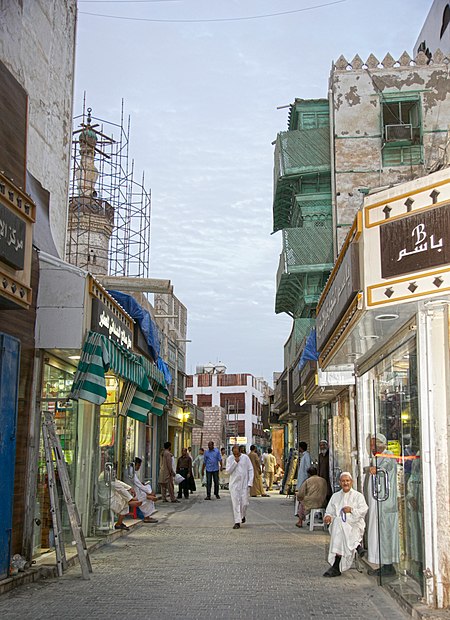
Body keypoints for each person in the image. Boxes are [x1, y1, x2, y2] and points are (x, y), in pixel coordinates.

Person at [323, 472, 368, 577]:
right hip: (339, 526)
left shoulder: (358, 496)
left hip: (354, 525)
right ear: (340, 483)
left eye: (347, 481)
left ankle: (336, 565)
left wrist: (351, 510)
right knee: (339, 522)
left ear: (351, 482)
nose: (345, 483)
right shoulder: (335, 496)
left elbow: (363, 510)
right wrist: (328, 517)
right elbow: (329, 512)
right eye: (343, 481)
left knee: (340, 526)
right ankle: (356, 546)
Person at [366, 433, 399, 577]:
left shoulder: (388, 455)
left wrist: (376, 470)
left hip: (386, 504)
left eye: (373, 444)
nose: (371, 447)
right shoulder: (377, 458)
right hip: (379, 502)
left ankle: (388, 565)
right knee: (379, 533)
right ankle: (383, 563)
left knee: (386, 534)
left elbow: (385, 469)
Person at [226, 444, 254, 529]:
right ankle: (237, 522)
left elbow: (250, 469)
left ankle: (242, 515)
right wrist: (235, 462)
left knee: (244, 503)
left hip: (244, 484)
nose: (236, 455)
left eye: (237, 453)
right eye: (234, 454)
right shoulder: (230, 459)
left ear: (240, 451)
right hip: (234, 485)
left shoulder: (245, 458)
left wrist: (250, 482)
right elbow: (228, 471)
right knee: (235, 503)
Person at [133, 457, 158, 523]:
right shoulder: (131, 474)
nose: (139, 467)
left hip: (137, 490)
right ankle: (146, 517)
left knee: (148, 487)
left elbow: (138, 484)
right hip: (134, 492)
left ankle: (148, 496)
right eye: (138, 465)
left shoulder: (132, 473)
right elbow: (138, 484)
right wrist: (149, 492)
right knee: (146, 498)